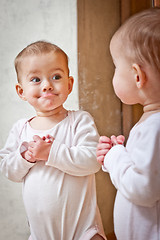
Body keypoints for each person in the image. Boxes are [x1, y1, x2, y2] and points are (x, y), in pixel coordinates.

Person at [0, 41, 106, 240]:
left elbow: (93, 160)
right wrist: (26, 156)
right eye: (36, 79)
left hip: (83, 229)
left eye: (56, 77)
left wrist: (51, 152)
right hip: (41, 234)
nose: (47, 85)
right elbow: (8, 170)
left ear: (69, 84)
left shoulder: (79, 121)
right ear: (21, 91)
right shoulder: (21, 129)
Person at [97, 7, 160, 240]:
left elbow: (143, 187)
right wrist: (118, 154)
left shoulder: (155, 128)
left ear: (137, 76)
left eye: (116, 66)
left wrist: (115, 158)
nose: (114, 73)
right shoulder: (152, 124)